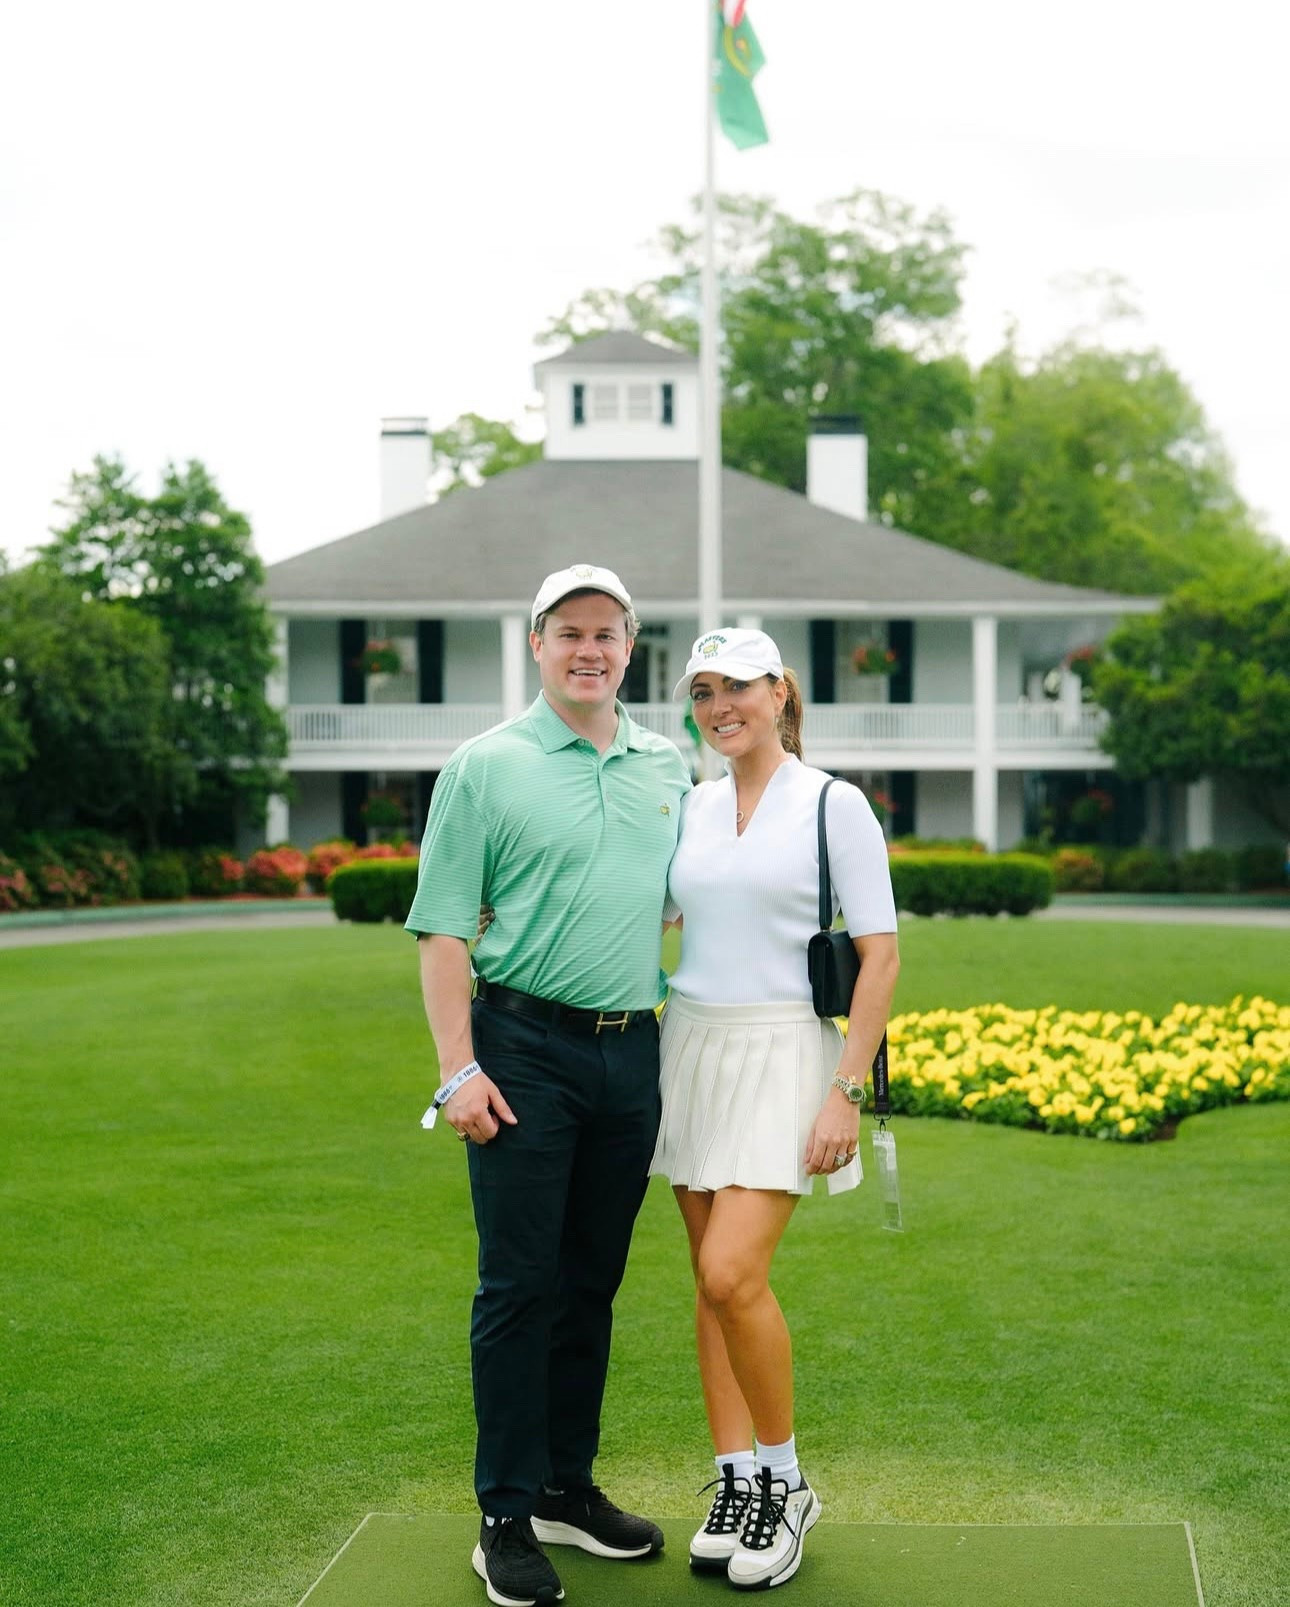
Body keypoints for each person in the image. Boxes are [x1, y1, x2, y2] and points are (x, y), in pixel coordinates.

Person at [405, 564, 692, 1607]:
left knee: (590, 1283)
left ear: (630, 647)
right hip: (521, 1049)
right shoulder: (485, 766)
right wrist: (458, 1067)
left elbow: (683, 895)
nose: (591, 648)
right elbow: (441, 928)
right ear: (537, 643)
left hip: (631, 1052)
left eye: (608, 633)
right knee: (519, 1285)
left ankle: (569, 1486)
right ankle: (505, 1512)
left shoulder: (668, 763)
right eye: (569, 630)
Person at [649, 626, 900, 1592]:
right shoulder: (692, 805)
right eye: (705, 690)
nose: (721, 707)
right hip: (692, 1044)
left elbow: (879, 955)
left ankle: (788, 1483)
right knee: (707, 1284)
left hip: (788, 1049)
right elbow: (663, 913)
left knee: (732, 1269)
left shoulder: (837, 805)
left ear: (781, 692)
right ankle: (735, 1478)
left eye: (739, 688)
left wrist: (845, 1084)